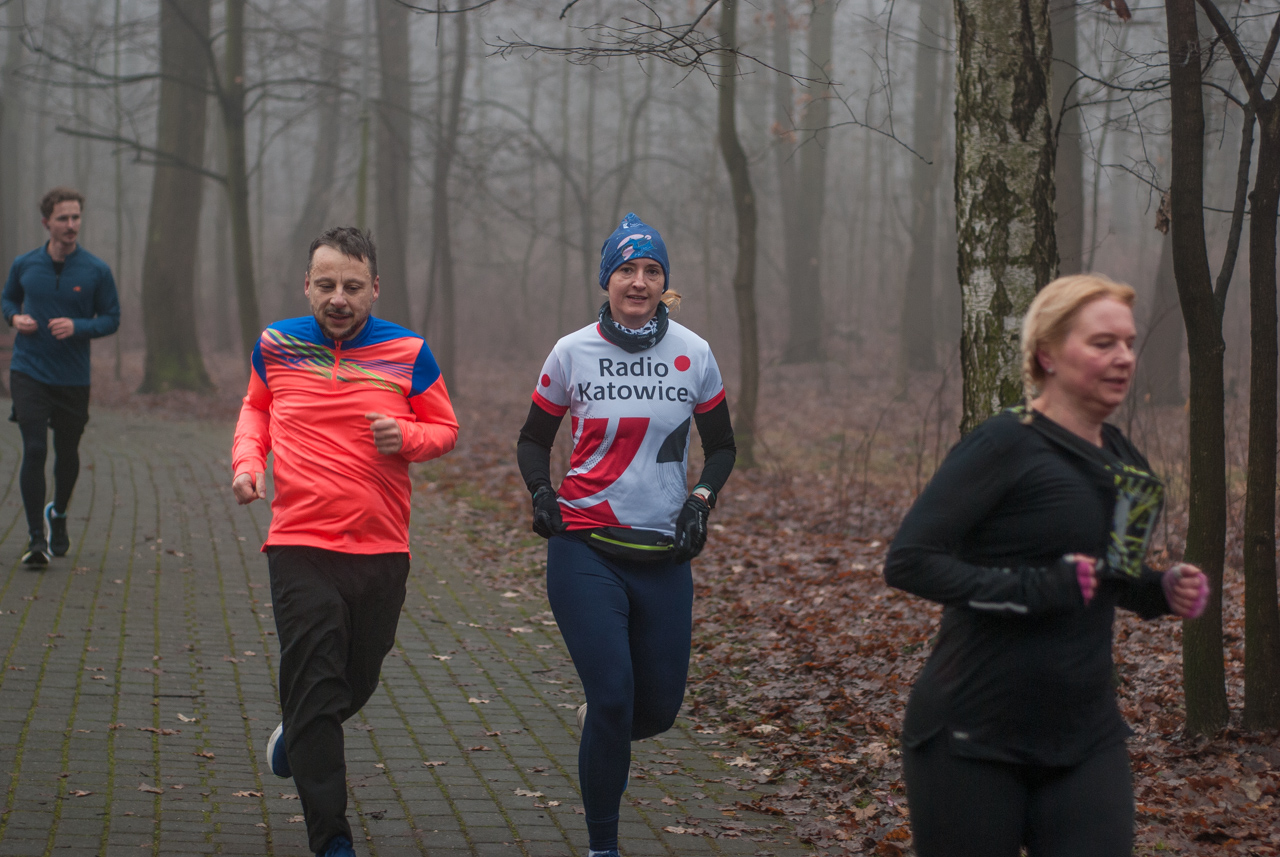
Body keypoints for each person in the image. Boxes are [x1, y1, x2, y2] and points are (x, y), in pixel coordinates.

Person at [883, 274, 1210, 857]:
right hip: (971, 736)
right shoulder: (1004, 444)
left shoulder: (1128, 465)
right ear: (1047, 353)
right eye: (1102, 343)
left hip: (1086, 739)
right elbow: (909, 561)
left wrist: (1161, 588)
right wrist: (1036, 587)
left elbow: (1113, 574)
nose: (1123, 358)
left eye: (1128, 343)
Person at [231, 227, 458, 857]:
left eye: (352, 287)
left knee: (352, 683)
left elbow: (444, 427)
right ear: (307, 284)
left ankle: (298, 733)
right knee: (313, 682)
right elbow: (255, 408)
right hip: (298, 542)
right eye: (326, 284)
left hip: (382, 547)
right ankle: (331, 839)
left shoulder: (408, 351)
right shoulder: (276, 345)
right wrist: (249, 463)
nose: (338, 298)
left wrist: (406, 439)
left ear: (374, 289)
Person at [516, 213, 736, 857]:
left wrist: (700, 499)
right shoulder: (571, 351)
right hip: (584, 545)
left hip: (664, 553)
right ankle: (602, 846)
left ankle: (603, 728)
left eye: (652, 271)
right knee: (612, 694)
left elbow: (722, 448)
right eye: (626, 270)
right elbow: (534, 438)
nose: (638, 282)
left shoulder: (694, 353)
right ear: (607, 279)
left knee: (657, 711)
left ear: (665, 283)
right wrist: (541, 493)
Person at [2, 187, 120, 566]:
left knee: (67, 454)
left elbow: (111, 318)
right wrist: (13, 318)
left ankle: (60, 515)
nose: (71, 225)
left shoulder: (96, 270)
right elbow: (7, 299)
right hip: (28, 370)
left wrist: (79, 326)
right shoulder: (24, 264)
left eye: (76, 218)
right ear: (46, 223)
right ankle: (37, 540)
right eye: (64, 219)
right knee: (35, 448)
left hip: (72, 377)